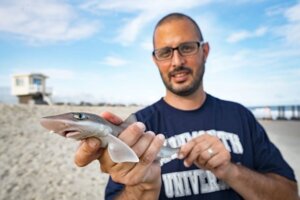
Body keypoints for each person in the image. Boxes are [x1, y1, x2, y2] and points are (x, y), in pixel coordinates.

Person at [74, 13, 299, 199]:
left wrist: (230, 170)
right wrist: (142, 188)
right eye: (165, 52)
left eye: (187, 48)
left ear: (205, 51)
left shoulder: (240, 116)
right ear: (155, 60)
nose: (177, 61)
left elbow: (289, 194)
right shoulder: (138, 128)